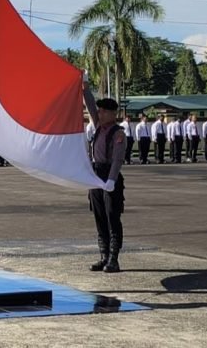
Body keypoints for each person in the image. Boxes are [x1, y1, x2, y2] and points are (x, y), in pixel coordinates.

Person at [83, 83, 127, 274]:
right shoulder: (99, 126)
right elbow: (90, 105)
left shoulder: (118, 133)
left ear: (112, 113)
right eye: (99, 111)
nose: (98, 114)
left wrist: (111, 180)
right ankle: (103, 256)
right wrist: (84, 86)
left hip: (110, 176)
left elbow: (117, 159)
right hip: (96, 174)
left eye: (103, 111)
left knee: (112, 217)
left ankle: (114, 259)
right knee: (99, 216)